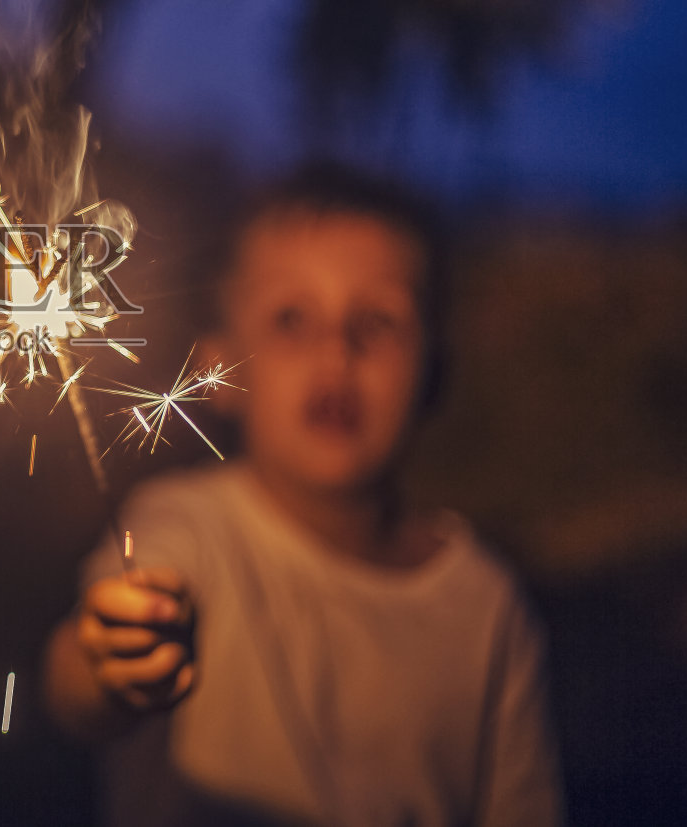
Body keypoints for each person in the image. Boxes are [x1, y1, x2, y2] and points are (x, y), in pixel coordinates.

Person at [41, 163, 564, 827]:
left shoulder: (488, 609)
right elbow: (73, 686)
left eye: (377, 321)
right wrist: (106, 663)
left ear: (433, 370)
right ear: (217, 369)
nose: (335, 352)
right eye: (291, 319)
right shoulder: (185, 524)